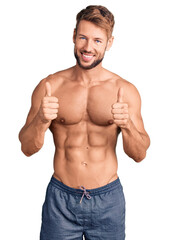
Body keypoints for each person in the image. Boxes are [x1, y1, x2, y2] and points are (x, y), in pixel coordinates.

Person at [19, 5, 150, 240]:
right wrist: (41, 119)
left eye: (98, 41)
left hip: (108, 201)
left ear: (109, 43)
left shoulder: (125, 90)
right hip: (61, 201)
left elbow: (139, 154)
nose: (88, 48)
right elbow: (27, 148)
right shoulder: (50, 86)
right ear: (73, 36)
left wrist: (127, 124)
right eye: (83, 37)